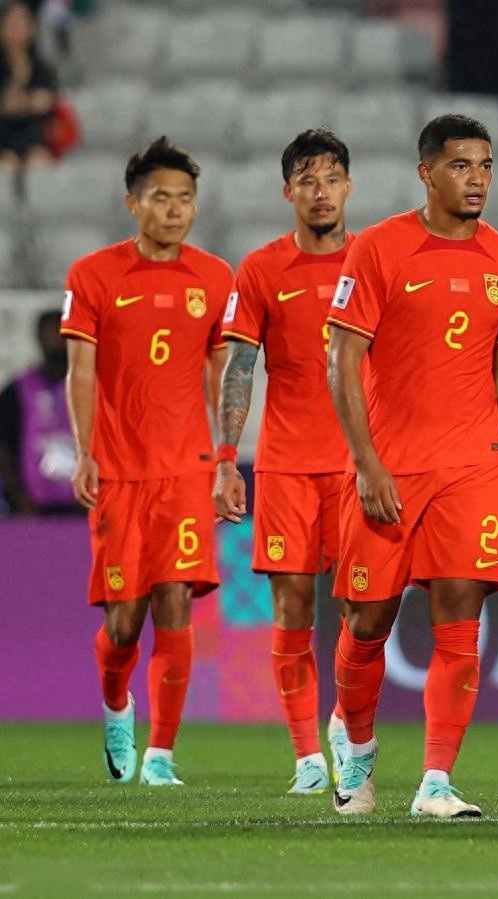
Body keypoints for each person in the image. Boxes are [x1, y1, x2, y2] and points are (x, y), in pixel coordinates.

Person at [325, 115, 498, 818]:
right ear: (427, 173)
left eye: (486, 165)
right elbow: (342, 359)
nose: (477, 178)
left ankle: (437, 781)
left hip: (472, 465)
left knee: (460, 617)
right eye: (461, 165)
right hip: (391, 465)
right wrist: (366, 463)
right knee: (367, 620)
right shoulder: (380, 248)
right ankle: (356, 740)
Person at [60, 136, 231, 787]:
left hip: (185, 469)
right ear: (133, 203)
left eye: (185, 197)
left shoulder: (214, 277)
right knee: (124, 620)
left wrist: (225, 459)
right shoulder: (93, 274)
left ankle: (161, 754)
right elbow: (81, 372)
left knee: (176, 603)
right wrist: (84, 452)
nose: (175, 209)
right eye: (161, 197)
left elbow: (221, 374)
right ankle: (115, 703)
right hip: (118, 471)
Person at [214, 128, 356, 794]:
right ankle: (306, 758)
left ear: (348, 186)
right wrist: (225, 460)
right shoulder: (261, 269)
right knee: (293, 610)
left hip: (359, 468)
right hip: (288, 466)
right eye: (307, 181)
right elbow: (239, 368)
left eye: (330, 179)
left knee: (363, 611)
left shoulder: (373, 262)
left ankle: (346, 726)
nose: (320, 192)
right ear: (287, 192)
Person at [0, 309, 77, 514]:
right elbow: (4, 448)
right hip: (33, 507)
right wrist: (20, 498)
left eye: (61, 334)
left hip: (86, 506)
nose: (56, 341)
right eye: (49, 335)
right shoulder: (17, 390)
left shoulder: (98, 388)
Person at [0, 0, 57, 170]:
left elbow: (47, 101)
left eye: (23, 20)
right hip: (2, 134)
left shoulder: (40, 65)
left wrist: (18, 103)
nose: (18, 26)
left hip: (33, 134)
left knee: (38, 164)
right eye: (13, 21)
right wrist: (28, 102)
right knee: (5, 166)